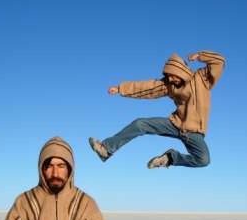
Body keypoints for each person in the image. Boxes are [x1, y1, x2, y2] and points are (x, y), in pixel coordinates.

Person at [88, 50, 226, 168]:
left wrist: (201, 55)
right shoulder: (169, 85)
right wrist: (121, 88)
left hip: (194, 133)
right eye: (168, 76)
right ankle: (106, 149)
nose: (171, 79)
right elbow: (148, 87)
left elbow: (219, 62)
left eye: (173, 75)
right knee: (140, 124)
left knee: (204, 160)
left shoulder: (202, 79)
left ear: (180, 71)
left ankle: (170, 158)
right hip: (175, 124)